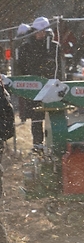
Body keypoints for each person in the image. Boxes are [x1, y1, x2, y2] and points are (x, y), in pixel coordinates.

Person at [16, 17, 61, 149]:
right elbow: (21, 68)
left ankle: (54, 144)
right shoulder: (25, 49)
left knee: (54, 115)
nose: (40, 34)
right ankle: (37, 144)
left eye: (43, 31)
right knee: (36, 117)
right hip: (33, 87)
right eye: (37, 31)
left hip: (51, 87)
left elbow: (59, 68)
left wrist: (59, 83)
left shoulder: (54, 47)